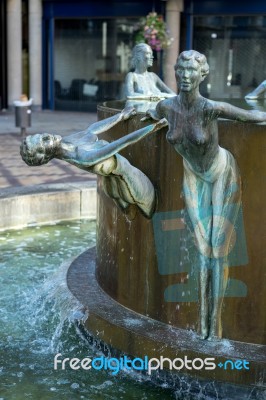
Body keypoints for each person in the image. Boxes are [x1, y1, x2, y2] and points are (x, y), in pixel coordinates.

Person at [143, 50, 266, 340]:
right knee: (201, 247)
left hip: (222, 171)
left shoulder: (211, 108)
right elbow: (148, 114)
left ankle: (216, 325)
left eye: (191, 71)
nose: (185, 76)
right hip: (193, 174)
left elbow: (253, 117)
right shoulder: (165, 107)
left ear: (203, 75)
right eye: (180, 70)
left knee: (217, 246)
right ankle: (202, 324)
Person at [20, 106, 167, 219]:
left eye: (42, 135)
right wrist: (153, 127)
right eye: (45, 141)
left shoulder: (68, 141)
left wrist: (120, 116)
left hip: (114, 182)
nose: (47, 135)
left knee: (137, 217)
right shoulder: (80, 156)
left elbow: (91, 130)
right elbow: (121, 143)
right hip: (130, 185)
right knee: (152, 211)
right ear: (46, 155)